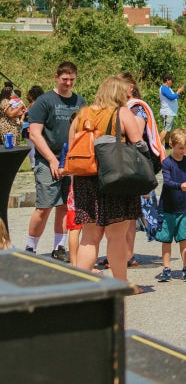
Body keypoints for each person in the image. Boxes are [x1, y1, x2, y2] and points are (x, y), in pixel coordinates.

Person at [70, 76, 143, 287]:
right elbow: (138, 145)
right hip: (115, 179)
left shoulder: (81, 114)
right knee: (116, 236)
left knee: (89, 237)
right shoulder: (121, 113)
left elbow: (71, 146)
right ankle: (121, 284)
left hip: (85, 180)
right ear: (117, 93)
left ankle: (81, 285)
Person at [25, 61, 85, 261]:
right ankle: (30, 248)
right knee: (44, 207)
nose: (68, 83)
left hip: (71, 162)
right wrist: (52, 160)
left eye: (72, 79)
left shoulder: (80, 102)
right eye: (65, 79)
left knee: (64, 206)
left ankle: (59, 247)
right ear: (56, 77)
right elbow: (35, 134)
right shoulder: (44, 101)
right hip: (46, 161)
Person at [118, 71, 165, 269]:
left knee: (129, 211)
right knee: (125, 210)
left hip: (136, 163)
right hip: (128, 162)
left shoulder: (136, 108)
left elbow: (134, 133)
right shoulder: (126, 107)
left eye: (119, 86)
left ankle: (127, 255)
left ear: (129, 88)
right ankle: (122, 253)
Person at [155, 129, 186, 283]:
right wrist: (181, 186)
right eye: (180, 148)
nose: (183, 151)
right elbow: (167, 182)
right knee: (166, 240)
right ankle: (166, 269)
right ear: (171, 144)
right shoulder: (166, 163)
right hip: (166, 208)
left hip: (182, 208)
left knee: (184, 239)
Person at [158, 74, 184, 147]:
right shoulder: (164, 88)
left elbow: (173, 96)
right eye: (171, 81)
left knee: (168, 129)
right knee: (166, 129)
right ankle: (157, 146)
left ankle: (166, 144)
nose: (172, 82)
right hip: (167, 112)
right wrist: (178, 91)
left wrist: (177, 93)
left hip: (170, 112)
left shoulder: (167, 88)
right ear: (167, 80)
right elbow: (171, 97)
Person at [22, 85, 44, 167]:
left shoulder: (34, 104)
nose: (27, 96)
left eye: (29, 95)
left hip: (30, 128)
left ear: (33, 95)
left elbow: (33, 116)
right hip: (32, 128)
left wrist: (25, 115)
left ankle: (34, 164)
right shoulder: (38, 103)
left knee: (32, 147)